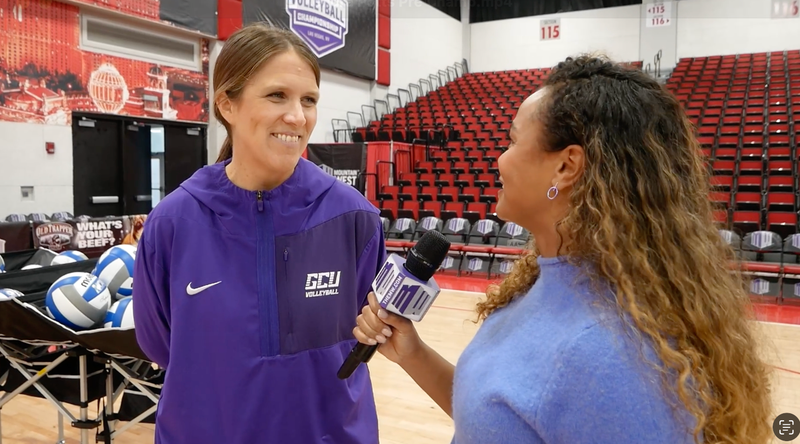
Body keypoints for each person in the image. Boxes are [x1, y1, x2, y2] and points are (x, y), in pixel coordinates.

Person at [352, 55, 774, 443]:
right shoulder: (546, 279)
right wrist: (414, 354)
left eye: (513, 141)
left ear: (567, 166)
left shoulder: (613, 358)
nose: (500, 159)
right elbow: (501, 423)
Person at [133, 23, 386, 444]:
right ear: (226, 104)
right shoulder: (173, 222)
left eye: (309, 100)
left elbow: (366, 339)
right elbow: (160, 345)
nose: (297, 116)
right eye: (276, 96)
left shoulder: (355, 219)